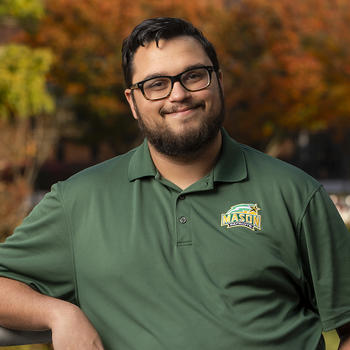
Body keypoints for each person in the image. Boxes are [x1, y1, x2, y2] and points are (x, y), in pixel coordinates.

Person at [0, 17, 350, 350]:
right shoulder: (78, 201)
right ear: (133, 102)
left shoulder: (296, 194)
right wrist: (59, 313)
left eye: (194, 75)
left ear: (218, 81)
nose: (178, 94)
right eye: (156, 84)